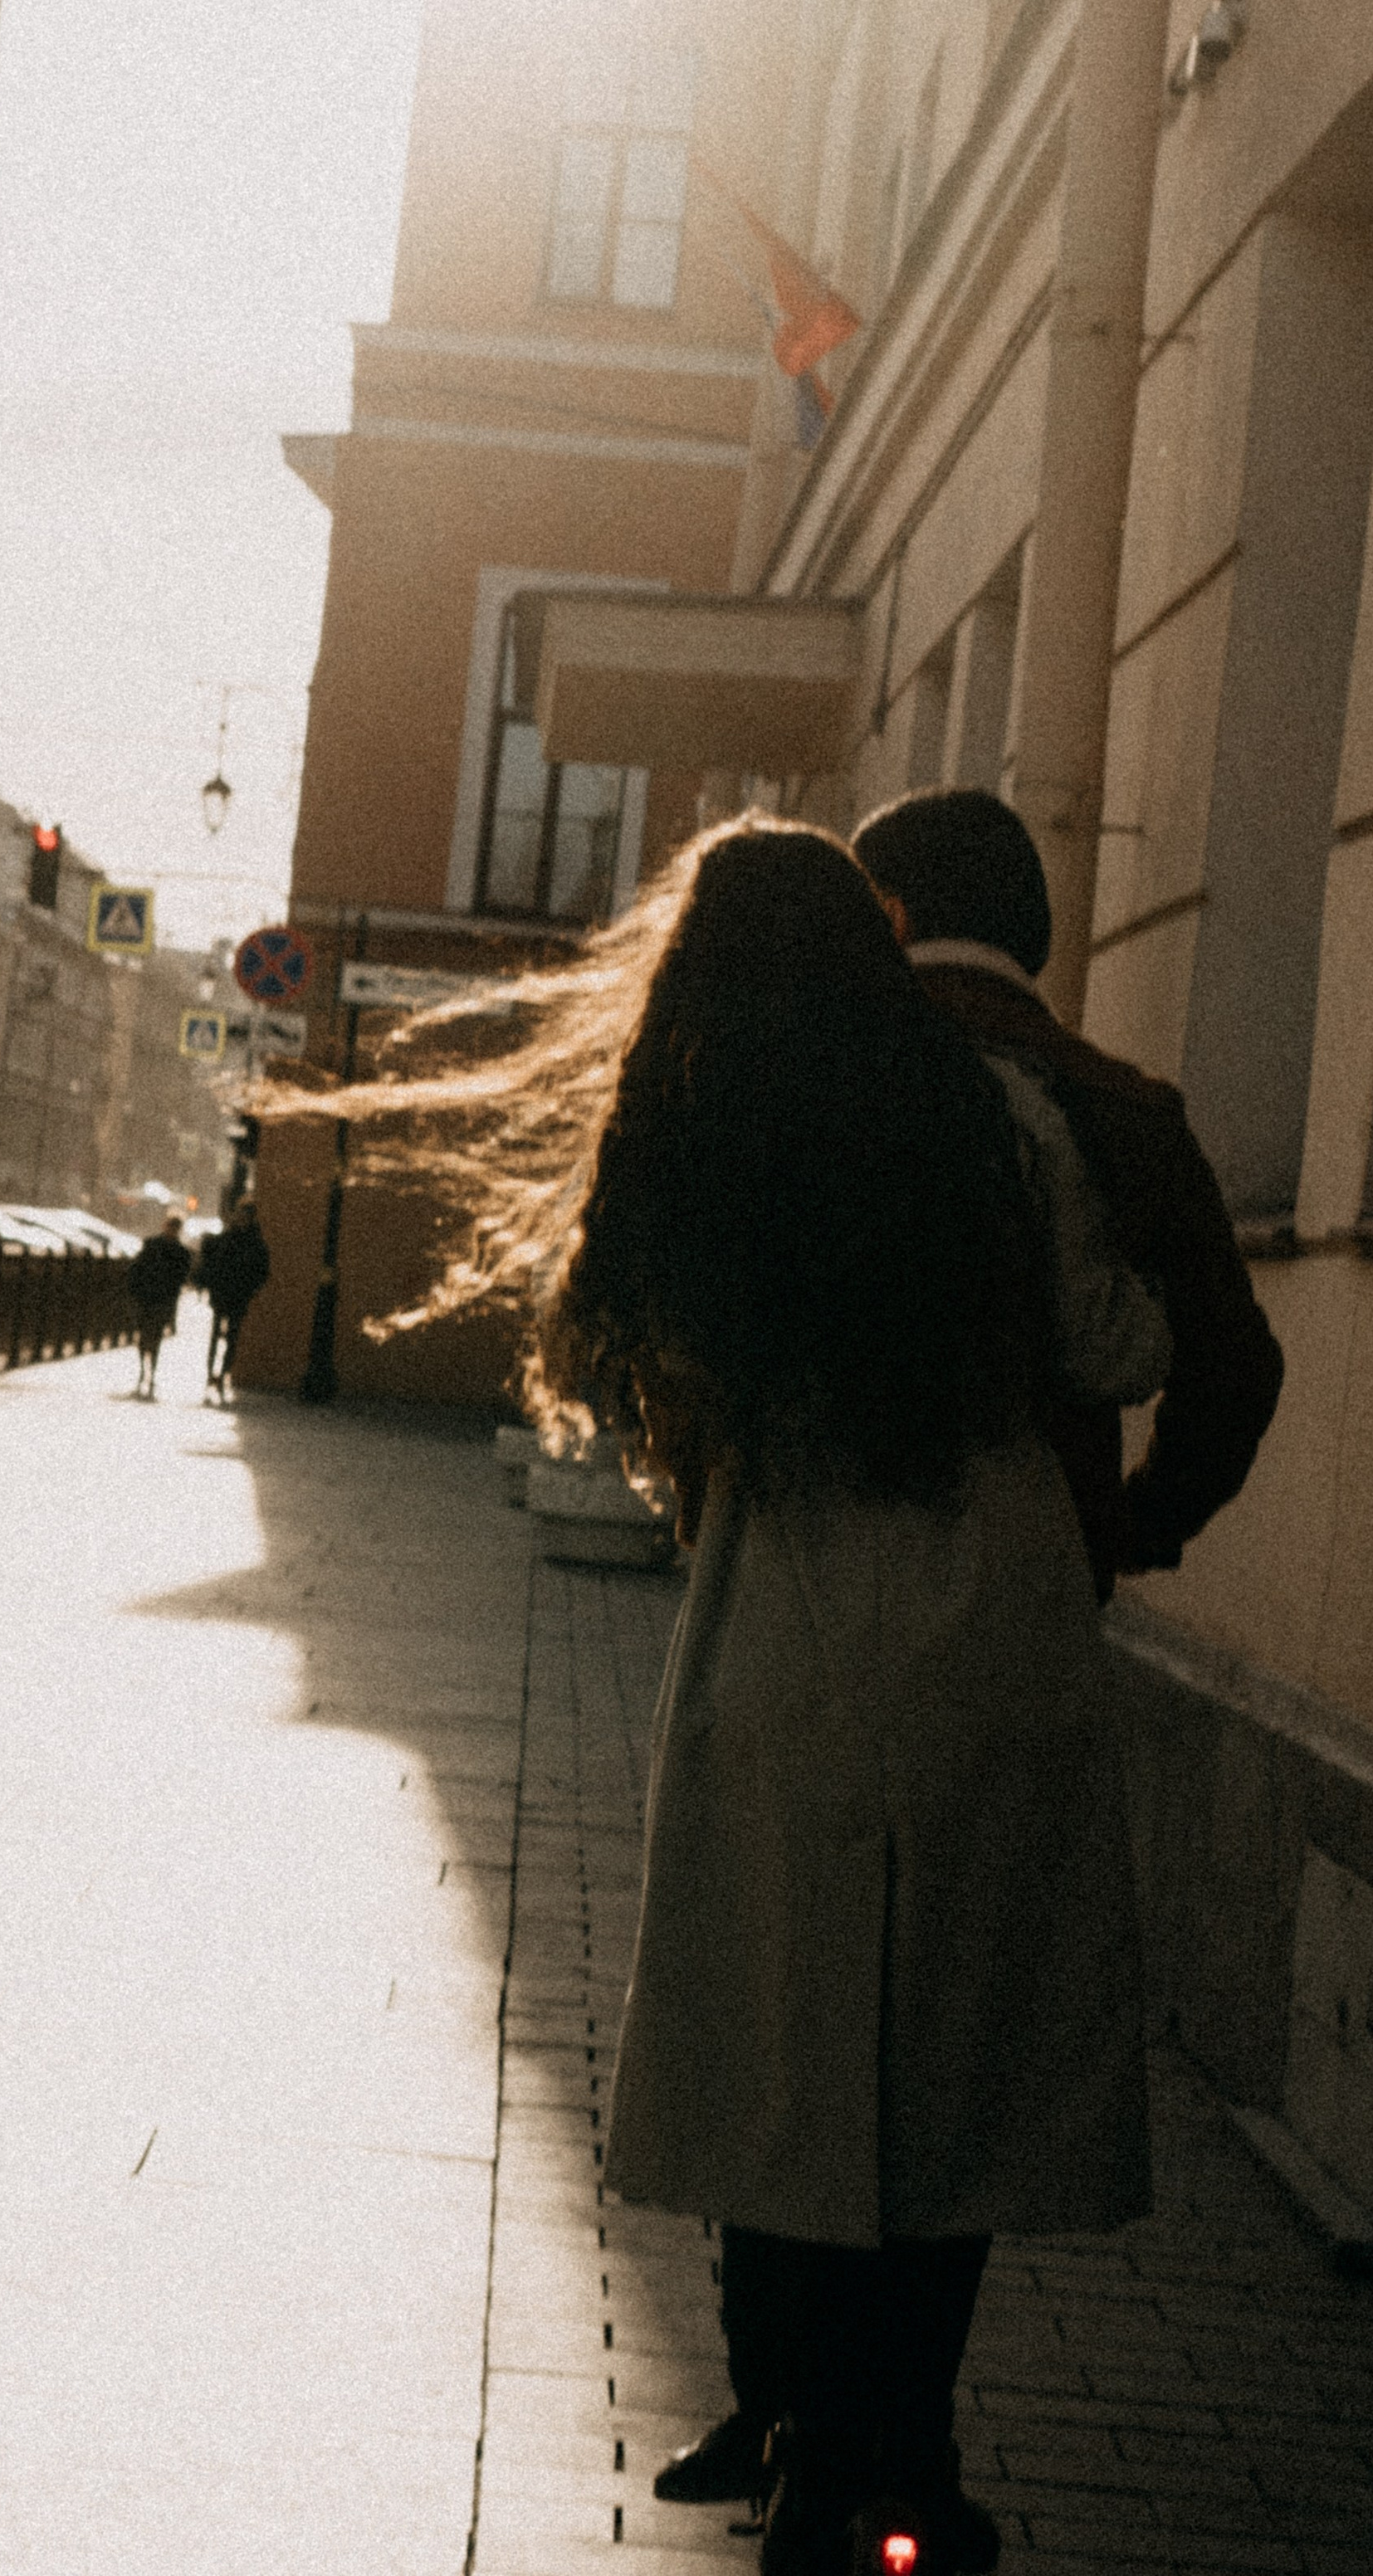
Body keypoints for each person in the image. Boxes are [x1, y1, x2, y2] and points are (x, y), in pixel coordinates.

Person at [329, 817, 1170, 2572]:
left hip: (777, 1641)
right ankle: (904, 2453)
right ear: (873, 946)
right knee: (944, 2069)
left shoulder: (695, 1152)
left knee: (778, 2050)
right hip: (989, 1639)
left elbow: (634, 1396)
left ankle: (795, 2429)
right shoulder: (994, 1122)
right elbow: (1122, 1350)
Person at [850, 787, 1284, 1598]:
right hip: (1035, 1587)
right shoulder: (1128, 1110)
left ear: (892, 916)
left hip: (827, 1580)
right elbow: (1235, 1365)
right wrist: (1133, 1525)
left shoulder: (831, 1081)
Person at [198, 1198, 270, 1399]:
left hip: (237, 1295)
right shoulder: (235, 1239)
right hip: (225, 1293)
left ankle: (222, 1374)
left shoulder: (249, 1242)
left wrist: (249, 1289)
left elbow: (260, 1271)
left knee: (230, 1337)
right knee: (219, 1336)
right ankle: (212, 1374)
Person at [127, 1212, 190, 1399]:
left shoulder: (180, 1252)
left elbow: (180, 1279)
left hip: (162, 1300)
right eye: (171, 1226)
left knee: (154, 1337)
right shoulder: (154, 1245)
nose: (172, 1230)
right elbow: (137, 1270)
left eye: (175, 1227)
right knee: (145, 1336)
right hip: (148, 1298)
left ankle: (149, 1373)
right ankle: (144, 1371)